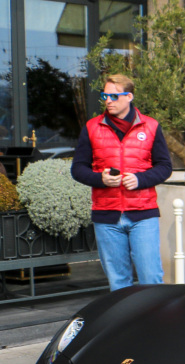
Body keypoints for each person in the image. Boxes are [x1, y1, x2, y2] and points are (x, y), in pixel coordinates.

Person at [71, 73, 173, 291]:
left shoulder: (151, 126)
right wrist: (101, 179)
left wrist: (140, 179)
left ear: (129, 96)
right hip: (107, 217)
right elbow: (78, 169)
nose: (108, 100)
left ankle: (155, 323)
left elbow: (165, 167)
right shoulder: (92, 127)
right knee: (118, 283)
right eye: (105, 95)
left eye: (114, 96)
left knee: (151, 278)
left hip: (143, 214)